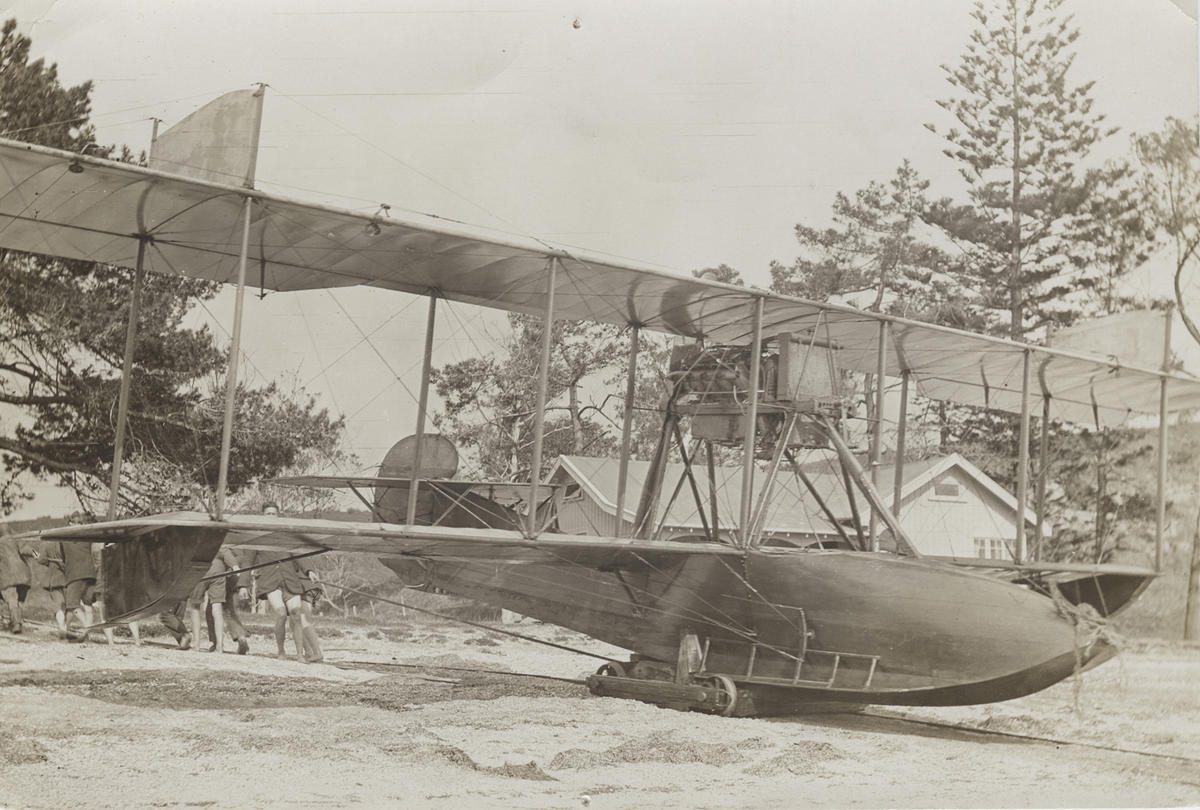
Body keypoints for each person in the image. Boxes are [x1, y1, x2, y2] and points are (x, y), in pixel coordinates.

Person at [190, 546, 250, 654]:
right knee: (217, 608)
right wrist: (235, 566)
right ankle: (219, 646)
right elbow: (225, 551)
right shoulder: (221, 535)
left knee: (195, 607)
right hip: (219, 569)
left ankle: (196, 645)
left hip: (199, 569)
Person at [0, 527, 37, 634]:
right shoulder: (16, 539)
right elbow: (26, 550)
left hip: (8, 577)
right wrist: (38, 555)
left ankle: (16, 624)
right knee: (20, 601)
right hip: (23, 576)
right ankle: (18, 621)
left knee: (12, 600)